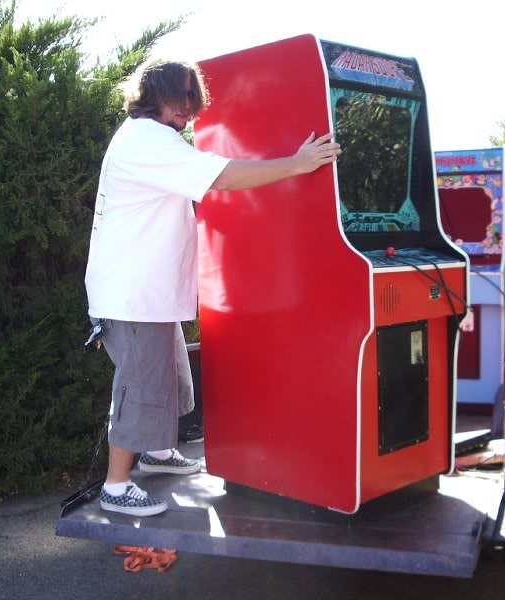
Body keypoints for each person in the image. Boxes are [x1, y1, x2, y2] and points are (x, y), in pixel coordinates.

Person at [85, 59, 340, 517]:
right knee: (141, 385)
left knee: (168, 376)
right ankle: (116, 487)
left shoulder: (153, 139)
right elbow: (222, 177)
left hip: (146, 293)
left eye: (192, 97)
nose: (189, 106)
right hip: (132, 296)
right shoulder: (148, 139)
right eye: (180, 96)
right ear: (154, 94)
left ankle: (157, 453)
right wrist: (298, 165)